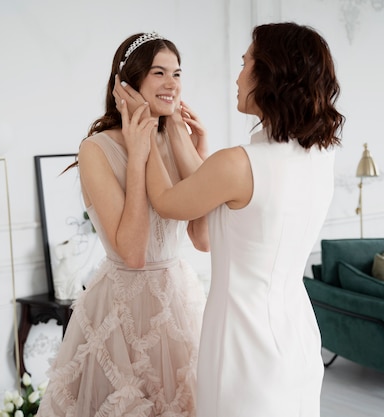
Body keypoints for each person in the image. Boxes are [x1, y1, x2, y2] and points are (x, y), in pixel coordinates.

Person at [119, 22, 345, 416]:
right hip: (297, 335)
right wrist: (174, 127)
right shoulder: (319, 156)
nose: (238, 75)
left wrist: (144, 133)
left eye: (245, 64)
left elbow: (172, 202)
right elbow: (215, 193)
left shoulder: (239, 163)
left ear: (270, 74)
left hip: (243, 344)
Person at [36, 32, 208, 417]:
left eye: (177, 73)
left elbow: (204, 238)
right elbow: (131, 253)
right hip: (120, 311)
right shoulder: (96, 149)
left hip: (178, 301)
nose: (172, 84)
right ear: (127, 82)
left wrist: (201, 152)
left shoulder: (179, 139)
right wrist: (137, 157)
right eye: (159, 72)